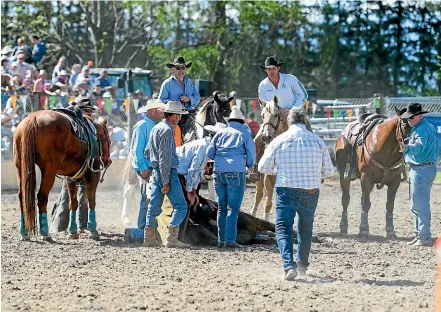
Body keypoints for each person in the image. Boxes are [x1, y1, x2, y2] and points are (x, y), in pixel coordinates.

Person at [258, 107, 334, 281]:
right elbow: (329, 171)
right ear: (305, 120)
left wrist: (279, 168)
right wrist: (314, 173)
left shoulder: (279, 140)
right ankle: (302, 266)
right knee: (305, 230)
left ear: (289, 121)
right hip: (310, 191)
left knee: (283, 229)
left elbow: (263, 167)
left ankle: (288, 266)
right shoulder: (317, 141)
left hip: (286, 190)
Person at [143, 101, 190, 248]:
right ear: (174, 116)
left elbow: (147, 151)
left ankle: (149, 237)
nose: (180, 119)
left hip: (156, 171)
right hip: (167, 172)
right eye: (179, 116)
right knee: (181, 206)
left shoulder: (156, 128)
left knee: (154, 206)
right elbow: (165, 158)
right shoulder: (168, 130)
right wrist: (166, 181)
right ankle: (171, 238)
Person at [207, 108, 256, 248]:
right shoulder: (244, 133)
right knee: (232, 209)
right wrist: (247, 164)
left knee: (221, 208)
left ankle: (220, 240)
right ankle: (229, 240)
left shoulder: (220, 133)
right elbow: (251, 156)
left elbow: (210, 153)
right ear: (241, 121)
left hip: (218, 172)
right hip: (236, 172)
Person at [50, 98, 99, 233]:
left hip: (72, 168)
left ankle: (61, 226)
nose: (90, 114)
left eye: (90, 111)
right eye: (88, 111)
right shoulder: (87, 127)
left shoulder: (77, 126)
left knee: (67, 197)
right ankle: (79, 226)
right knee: (77, 197)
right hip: (84, 167)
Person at [123, 99, 165, 241]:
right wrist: (142, 168)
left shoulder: (152, 125)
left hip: (151, 168)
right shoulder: (143, 126)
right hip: (147, 169)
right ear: (153, 111)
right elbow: (136, 150)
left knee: (149, 198)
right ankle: (142, 229)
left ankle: (145, 228)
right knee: (147, 198)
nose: (163, 113)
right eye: (161, 110)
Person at [400, 103, 439, 247]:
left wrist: (406, 148)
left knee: (420, 205)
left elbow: (419, 148)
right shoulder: (422, 127)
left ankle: (423, 237)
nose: (408, 120)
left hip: (421, 169)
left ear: (419, 116)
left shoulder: (421, 129)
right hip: (422, 169)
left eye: (411, 117)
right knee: (417, 204)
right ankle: (420, 235)